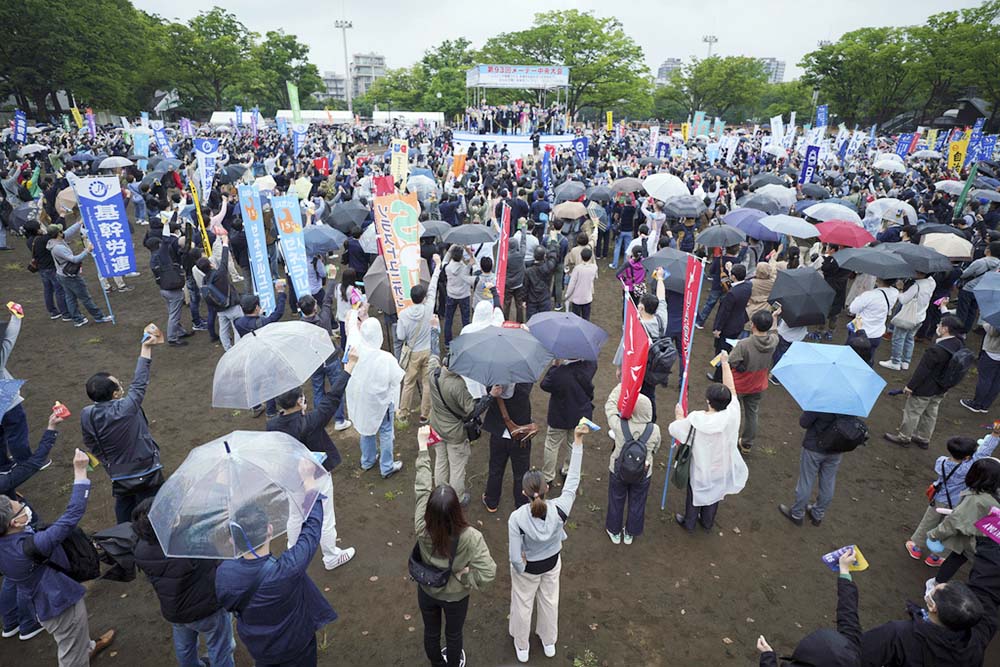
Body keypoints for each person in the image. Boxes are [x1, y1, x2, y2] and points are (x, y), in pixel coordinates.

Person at [0, 449, 115, 666]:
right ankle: (79, 657)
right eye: (19, 508)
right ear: (14, 523)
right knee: (71, 653)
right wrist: (80, 473)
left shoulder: (7, 543)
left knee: (73, 637)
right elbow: (71, 516)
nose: (24, 506)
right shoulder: (31, 547)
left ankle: (86, 647)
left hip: (42, 600)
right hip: (59, 605)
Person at [215, 488, 337, 667]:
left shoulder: (224, 574)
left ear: (233, 541)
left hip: (261, 650)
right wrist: (311, 488)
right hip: (297, 647)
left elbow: (227, 604)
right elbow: (311, 530)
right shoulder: (288, 569)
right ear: (269, 530)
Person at [413, 425, 497, 667]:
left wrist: (422, 448)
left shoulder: (421, 525)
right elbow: (489, 573)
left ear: (428, 509)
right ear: (457, 510)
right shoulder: (470, 536)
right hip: (455, 595)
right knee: (453, 634)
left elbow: (421, 487)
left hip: (427, 588)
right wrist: (466, 578)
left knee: (430, 631)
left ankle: (436, 663)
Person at [268, 349, 357, 571]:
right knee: (325, 516)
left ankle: (292, 550)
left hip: (292, 477)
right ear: (299, 401)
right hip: (316, 475)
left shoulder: (272, 425)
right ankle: (330, 556)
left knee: (296, 514)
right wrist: (349, 368)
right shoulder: (310, 422)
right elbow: (333, 397)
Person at [507, 424, 588, 663]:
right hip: (552, 563)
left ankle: (522, 646)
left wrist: (520, 568)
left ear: (523, 493)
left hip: (528, 567)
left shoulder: (517, 518)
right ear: (548, 489)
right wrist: (578, 442)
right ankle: (548, 641)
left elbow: (514, 556)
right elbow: (572, 480)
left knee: (522, 604)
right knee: (550, 601)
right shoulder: (560, 509)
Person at [860, 536, 1000, 666]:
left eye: (935, 590)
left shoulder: (900, 634)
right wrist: (991, 538)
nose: (935, 587)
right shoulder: (977, 640)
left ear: (933, 607)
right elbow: (986, 589)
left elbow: (854, 655)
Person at [132, 498, 235, 667]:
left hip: (174, 610)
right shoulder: (190, 543)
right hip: (207, 610)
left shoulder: (141, 548)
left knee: (184, 647)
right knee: (220, 647)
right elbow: (218, 562)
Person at [81, 328, 165, 524]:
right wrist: (146, 348)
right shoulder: (127, 407)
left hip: (118, 473)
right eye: (119, 385)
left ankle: (123, 542)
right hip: (146, 470)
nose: (122, 386)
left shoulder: (87, 414)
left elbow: (90, 443)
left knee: (124, 512)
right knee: (153, 511)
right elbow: (140, 382)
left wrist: (107, 461)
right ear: (116, 394)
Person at [0, 408, 62, 640]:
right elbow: (35, 462)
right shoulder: (5, 483)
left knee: (11, 575)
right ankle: (28, 623)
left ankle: (10, 623)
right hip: (11, 529)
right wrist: (51, 429)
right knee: (26, 574)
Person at [669, 351, 748, 532]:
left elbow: (676, 430)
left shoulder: (697, 419)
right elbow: (732, 388)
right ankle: (707, 522)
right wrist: (725, 363)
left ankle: (689, 522)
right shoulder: (733, 412)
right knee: (715, 494)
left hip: (700, 466)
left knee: (695, 492)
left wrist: (679, 416)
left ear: (707, 400)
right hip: (723, 466)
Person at [756, 549, 862, 667]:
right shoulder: (849, 654)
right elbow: (848, 615)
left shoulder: (850, 651)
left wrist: (767, 656)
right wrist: (845, 573)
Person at [884, 316, 967, 449]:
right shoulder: (959, 344)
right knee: (931, 412)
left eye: (940, 325)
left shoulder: (937, 350)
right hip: (942, 388)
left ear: (945, 329)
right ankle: (923, 438)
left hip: (925, 388)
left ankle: (904, 437)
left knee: (913, 412)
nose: (937, 326)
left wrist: (910, 386)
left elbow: (922, 371)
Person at [905, 436, 982, 567]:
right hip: (957, 505)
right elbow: (982, 454)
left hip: (939, 499)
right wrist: (995, 435)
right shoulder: (967, 469)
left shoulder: (941, 462)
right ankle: (936, 557)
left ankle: (917, 548)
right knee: (948, 529)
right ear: (968, 457)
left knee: (928, 522)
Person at [346, 307, 405, 479]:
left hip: (362, 399)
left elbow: (351, 331)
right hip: (382, 403)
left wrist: (354, 311)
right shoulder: (386, 358)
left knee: (366, 429)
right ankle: (386, 466)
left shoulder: (355, 348)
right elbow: (397, 378)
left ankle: (368, 460)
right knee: (385, 432)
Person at [778, 408, 863, 527]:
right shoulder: (851, 403)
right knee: (828, 482)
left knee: (806, 481)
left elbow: (804, 422)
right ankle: (817, 514)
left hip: (814, 448)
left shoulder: (822, 401)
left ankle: (797, 514)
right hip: (836, 449)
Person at [924, 457, 1000, 589]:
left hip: (978, 543)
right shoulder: (995, 494)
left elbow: (953, 522)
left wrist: (934, 535)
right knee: (966, 560)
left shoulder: (976, 499)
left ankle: (936, 586)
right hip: (993, 540)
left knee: (962, 559)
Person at [603, 386, 661, 544]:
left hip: (618, 470)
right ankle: (630, 533)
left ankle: (614, 531)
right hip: (643, 472)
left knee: (616, 499)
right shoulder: (654, 429)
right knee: (638, 501)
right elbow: (656, 448)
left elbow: (610, 406)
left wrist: (623, 385)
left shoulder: (620, 425)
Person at [396, 254, 443, 427]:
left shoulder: (403, 314)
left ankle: (403, 414)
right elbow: (433, 286)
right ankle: (425, 415)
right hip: (428, 351)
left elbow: (400, 336)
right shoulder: (429, 308)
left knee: (408, 383)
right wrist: (437, 266)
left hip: (413, 352)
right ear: (423, 298)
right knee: (427, 384)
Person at [539, 358, 597, 487]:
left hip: (559, 415)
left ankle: (548, 476)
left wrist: (554, 366)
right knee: (574, 443)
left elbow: (544, 385)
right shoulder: (590, 365)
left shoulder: (559, 373)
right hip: (581, 414)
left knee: (552, 445)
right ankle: (568, 472)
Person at [729, 310, 778, 454]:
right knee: (752, 414)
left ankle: (729, 440)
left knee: (733, 414)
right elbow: (775, 332)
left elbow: (732, 361)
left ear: (753, 325)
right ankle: (747, 443)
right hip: (758, 384)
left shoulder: (744, 344)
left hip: (740, 385)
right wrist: (774, 317)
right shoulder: (774, 341)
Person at [298, 291, 350, 430]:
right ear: (315, 307)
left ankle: (320, 421)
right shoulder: (324, 318)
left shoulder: (301, 327)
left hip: (315, 361)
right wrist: (331, 279)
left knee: (318, 390)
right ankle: (339, 420)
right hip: (331, 359)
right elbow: (327, 301)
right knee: (337, 388)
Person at [46, 222, 113, 327]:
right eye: (60, 230)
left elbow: (69, 232)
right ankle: (99, 317)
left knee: (70, 297)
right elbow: (75, 259)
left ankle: (77, 319)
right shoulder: (58, 247)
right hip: (70, 277)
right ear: (58, 233)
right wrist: (87, 250)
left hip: (62, 275)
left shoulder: (54, 241)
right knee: (85, 297)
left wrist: (79, 223)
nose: (62, 231)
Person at [481, 381, 534, 512]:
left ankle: (491, 501)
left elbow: (487, 392)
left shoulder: (493, 382)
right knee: (521, 473)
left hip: (498, 433)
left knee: (495, 469)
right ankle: (521, 505)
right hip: (520, 434)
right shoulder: (524, 384)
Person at [195, 235, 243, 350]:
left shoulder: (204, 280)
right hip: (232, 305)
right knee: (238, 328)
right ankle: (238, 349)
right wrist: (225, 243)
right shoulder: (220, 273)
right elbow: (225, 259)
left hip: (220, 309)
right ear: (211, 264)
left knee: (223, 330)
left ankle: (228, 350)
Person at [880, 272, 934, 371]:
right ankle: (906, 361)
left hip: (908, 317)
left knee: (898, 338)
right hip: (920, 316)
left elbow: (903, 300)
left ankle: (895, 361)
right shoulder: (932, 282)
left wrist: (900, 290)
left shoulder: (916, 286)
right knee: (910, 338)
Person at [710, 263, 751, 382]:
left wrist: (718, 328)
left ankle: (718, 376)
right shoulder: (747, 286)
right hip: (738, 323)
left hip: (727, 327)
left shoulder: (732, 294)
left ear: (733, 276)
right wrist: (729, 272)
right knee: (728, 348)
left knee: (721, 350)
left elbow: (724, 313)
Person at [0, 312, 31, 470]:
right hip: (4, 398)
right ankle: (25, 462)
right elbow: (9, 339)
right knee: (16, 430)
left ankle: (3, 466)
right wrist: (16, 317)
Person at [846, 278, 899, 365]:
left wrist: (860, 296)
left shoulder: (869, 295)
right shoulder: (894, 292)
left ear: (878, 279)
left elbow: (852, 309)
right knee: (868, 360)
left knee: (848, 359)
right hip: (876, 333)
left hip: (859, 331)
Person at [956, 240, 1000, 334]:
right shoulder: (998, 264)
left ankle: (957, 331)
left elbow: (964, 274)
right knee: (972, 312)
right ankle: (964, 332)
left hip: (968, 289)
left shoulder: (980, 262)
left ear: (989, 250)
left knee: (962, 311)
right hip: (983, 290)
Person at [961, 322, 1000, 413]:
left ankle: (976, 404)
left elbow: (993, 332)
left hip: (993, 351)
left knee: (985, 379)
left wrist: (985, 324)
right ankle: (985, 405)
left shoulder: (997, 316)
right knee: (997, 381)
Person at [524, 230, 560, 319]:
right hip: (545, 300)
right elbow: (553, 256)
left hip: (532, 302)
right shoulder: (549, 267)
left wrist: (524, 300)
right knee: (544, 323)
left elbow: (525, 287)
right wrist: (553, 239)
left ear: (534, 256)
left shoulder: (528, 271)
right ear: (544, 256)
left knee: (531, 324)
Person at [443, 246, 475, 347]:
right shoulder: (466, 268)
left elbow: (444, 260)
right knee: (465, 319)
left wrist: (451, 248)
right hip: (464, 295)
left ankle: (447, 342)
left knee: (448, 319)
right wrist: (469, 252)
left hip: (451, 295)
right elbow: (474, 262)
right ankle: (466, 341)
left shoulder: (447, 268)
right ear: (461, 256)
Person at [564, 247, 598, 320]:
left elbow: (572, 284)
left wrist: (567, 295)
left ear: (581, 256)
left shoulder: (577, 269)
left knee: (575, 319)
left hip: (577, 299)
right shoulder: (594, 267)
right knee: (586, 319)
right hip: (587, 298)